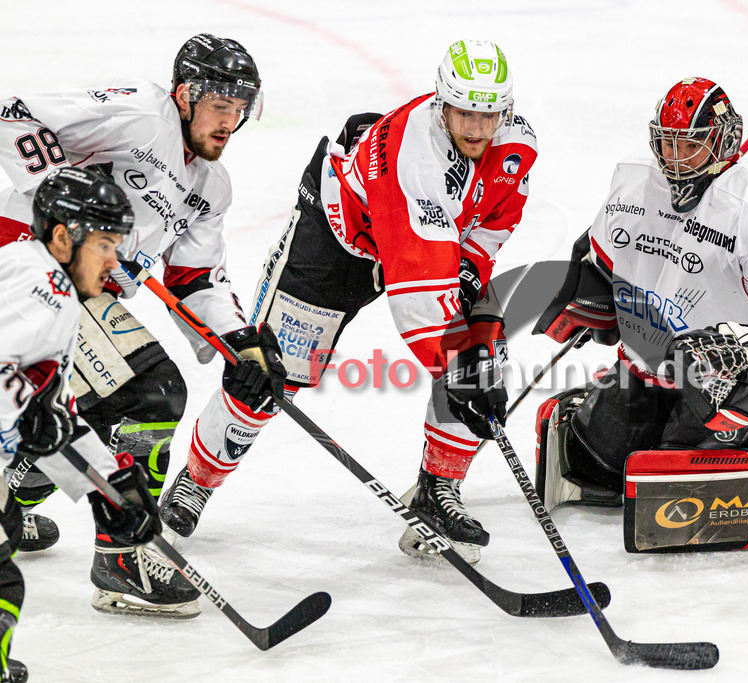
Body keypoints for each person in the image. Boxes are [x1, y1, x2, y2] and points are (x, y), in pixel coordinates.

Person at [161, 39, 537, 564]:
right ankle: (195, 483)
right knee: (267, 368)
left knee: (483, 352)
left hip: (428, 246)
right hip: (337, 244)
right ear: (440, 102)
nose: (477, 128)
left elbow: (496, 221)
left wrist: (472, 272)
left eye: (489, 114)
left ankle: (437, 490)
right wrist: (458, 371)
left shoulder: (516, 145)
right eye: (464, 112)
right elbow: (419, 301)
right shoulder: (413, 156)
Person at [0, 33, 284, 614]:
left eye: (239, 108)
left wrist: (242, 348)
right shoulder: (138, 113)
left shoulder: (211, 186)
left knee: (77, 405)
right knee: (148, 392)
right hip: (26, 265)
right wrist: (72, 205)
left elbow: (196, 279)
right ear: (185, 95)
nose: (230, 121)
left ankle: (17, 490)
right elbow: (15, 117)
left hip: (74, 293)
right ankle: (122, 558)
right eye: (219, 105)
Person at [533, 77, 748, 509]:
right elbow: (603, 255)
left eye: (691, 146)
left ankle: (718, 447)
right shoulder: (634, 181)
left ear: (722, 143)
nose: (676, 160)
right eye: (668, 144)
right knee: (597, 461)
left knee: (673, 475)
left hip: (741, 380)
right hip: (656, 366)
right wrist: (594, 293)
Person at [0, 167, 166, 681]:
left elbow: (55, 413)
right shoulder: (37, 280)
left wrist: (109, 485)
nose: (114, 262)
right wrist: (30, 409)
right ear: (61, 237)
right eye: (103, 245)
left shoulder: (59, 296)